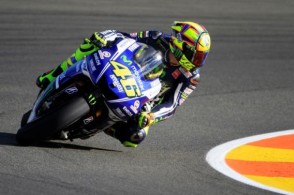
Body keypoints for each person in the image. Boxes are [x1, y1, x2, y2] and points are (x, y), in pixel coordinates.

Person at [36, 21, 211, 147]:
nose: (197, 61)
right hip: (121, 70)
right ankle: (53, 75)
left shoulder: (191, 77)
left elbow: (172, 104)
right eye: (195, 55)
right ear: (180, 44)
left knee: (134, 138)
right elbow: (125, 37)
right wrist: (106, 37)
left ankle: (107, 125)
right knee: (91, 45)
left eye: (201, 57)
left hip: (143, 100)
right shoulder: (155, 37)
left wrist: (152, 117)